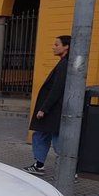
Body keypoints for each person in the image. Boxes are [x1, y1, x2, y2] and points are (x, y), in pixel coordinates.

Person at [24, 35, 70, 175]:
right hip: (53, 109)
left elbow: (57, 88)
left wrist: (44, 109)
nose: (53, 47)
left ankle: (68, 169)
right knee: (41, 135)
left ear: (66, 47)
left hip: (53, 110)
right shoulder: (64, 63)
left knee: (56, 139)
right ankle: (39, 165)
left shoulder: (64, 64)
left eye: (57, 44)